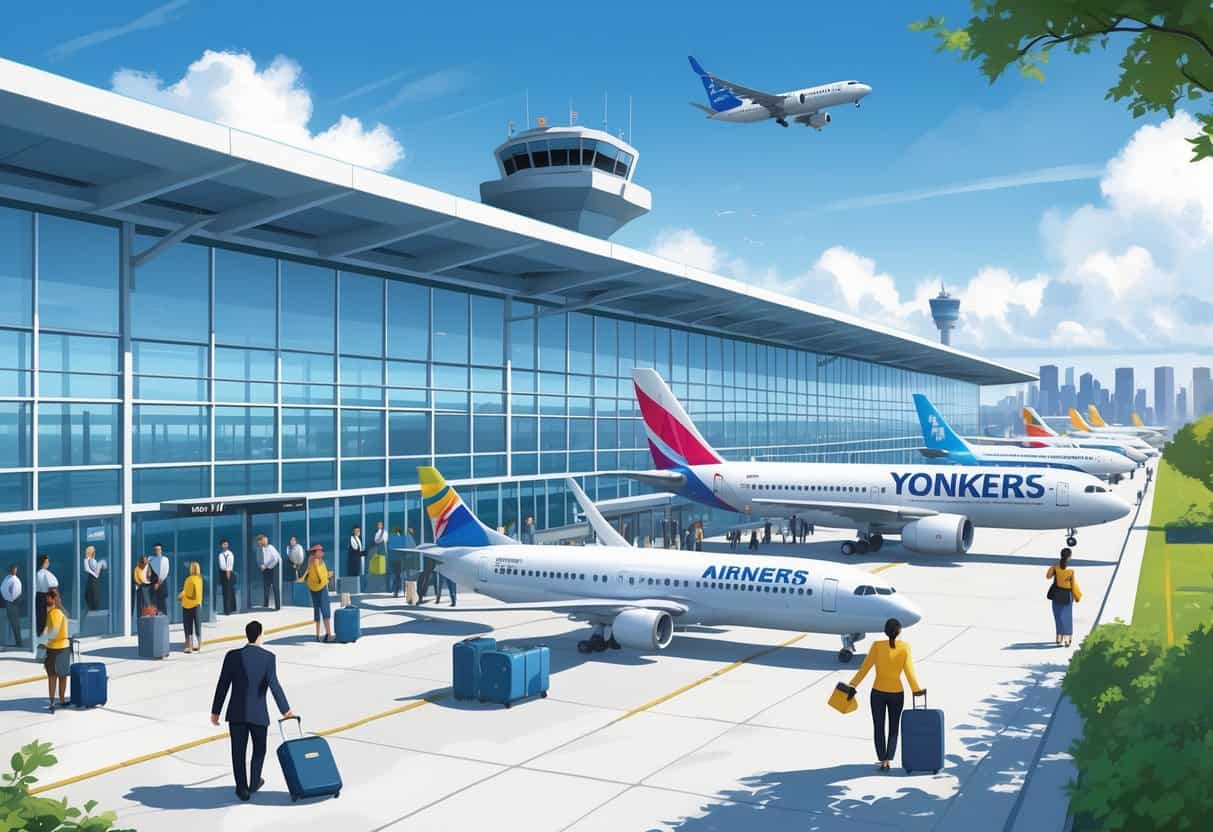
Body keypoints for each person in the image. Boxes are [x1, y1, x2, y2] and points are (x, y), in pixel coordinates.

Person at [210, 620, 295, 801]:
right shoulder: (268, 658)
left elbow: (223, 684)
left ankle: (242, 789)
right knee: (259, 749)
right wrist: (286, 711)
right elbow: (274, 686)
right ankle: (255, 781)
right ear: (260, 635)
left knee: (238, 752)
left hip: (236, 713)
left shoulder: (232, 656)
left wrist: (216, 711)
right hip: (258, 714)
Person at [848, 618, 924, 772]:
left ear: (885, 631)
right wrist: (916, 690)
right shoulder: (905, 647)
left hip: (878, 693)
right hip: (897, 694)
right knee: (894, 727)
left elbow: (865, 668)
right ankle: (889, 759)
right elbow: (909, 672)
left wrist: (853, 684)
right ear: (899, 631)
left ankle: (883, 759)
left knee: (878, 726)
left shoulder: (877, 646)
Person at [41, 589, 70, 713]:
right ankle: (61, 700)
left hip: (55, 648)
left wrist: (43, 640)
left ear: (53, 599)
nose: (45, 600)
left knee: (52, 676)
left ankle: (53, 702)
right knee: (62, 676)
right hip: (63, 647)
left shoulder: (55, 613)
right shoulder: (58, 612)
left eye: (48, 598)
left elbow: (53, 631)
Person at [1047, 549, 1083, 647]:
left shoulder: (1056, 567)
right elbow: (1073, 585)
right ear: (1069, 557)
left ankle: (1059, 637)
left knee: (1058, 616)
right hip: (1067, 595)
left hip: (1056, 595)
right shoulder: (1070, 571)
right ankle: (1067, 638)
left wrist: (1054, 566)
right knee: (1067, 617)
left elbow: (1048, 576)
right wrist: (1077, 596)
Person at [301, 544, 334, 643]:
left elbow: (309, 574)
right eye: (320, 551)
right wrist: (328, 576)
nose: (322, 552)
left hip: (313, 588)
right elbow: (320, 575)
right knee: (325, 610)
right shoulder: (317, 561)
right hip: (321, 588)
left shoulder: (310, 561)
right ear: (316, 553)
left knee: (316, 610)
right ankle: (328, 634)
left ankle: (317, 635)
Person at [179, 561, 203, 653]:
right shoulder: (200, 579)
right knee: (197, 624)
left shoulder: (189, 579)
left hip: (187, 605)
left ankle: (189, 646)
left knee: (188, 626)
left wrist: (181, 596)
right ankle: (198, 644)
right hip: (197, 605)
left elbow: (186, 592)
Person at [256, 534, 281, 611]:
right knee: (266, 587)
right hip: (265, 570)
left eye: (262, 541)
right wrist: (261, 566)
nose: (261, 543)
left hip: (274, 568)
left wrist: (266, 565)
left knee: (275, 587)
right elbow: (258, 559)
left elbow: (276, 558)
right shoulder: (260, 549)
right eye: (259, 542)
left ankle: (277, 606)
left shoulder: (271, 547)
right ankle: (265, 604)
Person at [34, 555, 58, 635]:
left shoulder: (36, 573)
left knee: (40, 617)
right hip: (46, 596)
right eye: (47, 562)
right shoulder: (46, 574)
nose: (48, 563)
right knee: (46, 617)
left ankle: (40, 634)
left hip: (38, 597)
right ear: (43, 563)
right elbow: (53, 586)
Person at [1, 565, 22, 648]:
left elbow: (16, 591)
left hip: (13, 603)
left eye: (15, 569)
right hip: (10, 603)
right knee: (13, 623)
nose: (14, 571)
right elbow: (3, 589)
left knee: (15, 623)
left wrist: (10, 599)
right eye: (13, 569)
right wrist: (9, 598)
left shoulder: (13, 579)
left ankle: (18, 642)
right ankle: (16, 642)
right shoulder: (8, 579)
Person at [147, 543, 170, 614]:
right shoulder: (151, 560)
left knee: (162, 605)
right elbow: (149, 573)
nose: (157, 551)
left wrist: (158, 583)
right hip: (153, 586)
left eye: (158, 549)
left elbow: (164, 573)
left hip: (161, 586)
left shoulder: (164, 559)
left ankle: (164, 618)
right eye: (155, 550)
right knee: (154, 605)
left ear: (161, 550)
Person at [83, 545, 105, 611]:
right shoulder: (87, 560)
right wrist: (94, 574)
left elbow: (98, 569)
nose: (94, 553)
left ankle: (94, 608)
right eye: (93, 551)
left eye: (94, 552)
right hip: (91, 578)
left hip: (94, 579)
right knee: (89, 593)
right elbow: (87, 569)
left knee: (94, 593)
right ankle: (92, 608)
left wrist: (99, 570)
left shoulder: (94, 561)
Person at [217, 540, 236, 615]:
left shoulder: (230, 554)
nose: (225, 546)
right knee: (225, 592)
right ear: (221, 545)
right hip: (222, 573)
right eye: (224, 544)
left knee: (229, 591)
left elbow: (230, 564)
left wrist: (228, 572)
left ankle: (229, 610)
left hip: (229, 572)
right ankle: (227, 609)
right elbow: (221, 565)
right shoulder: (220, 555)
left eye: (226, 544)